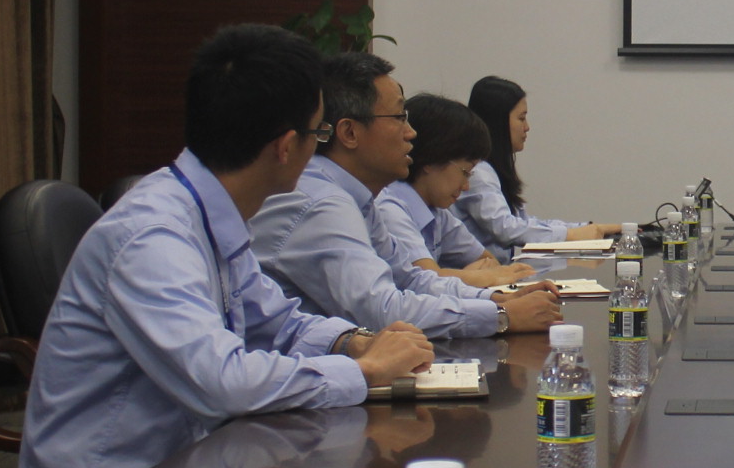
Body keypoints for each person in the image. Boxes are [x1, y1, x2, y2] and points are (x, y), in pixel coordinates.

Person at [18, 24, 435, 468]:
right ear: (287, 147)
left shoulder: (210, 213)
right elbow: (223, 383)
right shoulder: (154, 238)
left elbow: (278, 323)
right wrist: (365, 372)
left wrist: (354, 343)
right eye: (318, 135)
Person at [252, 52, 561, 340]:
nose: (411, 133)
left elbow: (411, 280)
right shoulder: (321, 203)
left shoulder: (359, 198)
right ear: (349, 133)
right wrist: (501, 316)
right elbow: (381, 311)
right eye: (399, 117)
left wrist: (496, 299)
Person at [377, 94, 531, 289]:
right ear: (431, 160)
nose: (466, 186)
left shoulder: (437, 212)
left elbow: (488, 261)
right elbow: (426, 280)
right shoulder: (390, 209)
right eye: (465, 172)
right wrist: (475, 276)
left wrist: (465, 276)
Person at [460, 75, 618, 256]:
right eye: (521, 118)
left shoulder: (491, 170)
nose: (527, 127)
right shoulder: (478, 173)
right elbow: (506, 229)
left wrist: (588, 228)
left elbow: (525, 223)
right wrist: (572, 235)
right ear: (498, 122)